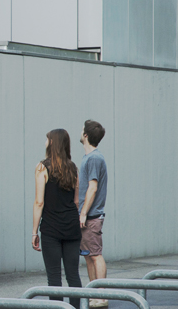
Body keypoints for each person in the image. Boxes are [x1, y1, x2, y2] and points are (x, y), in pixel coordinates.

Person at [32, 129, 82, 309]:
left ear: (53, 143)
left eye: (47, 139)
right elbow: (76, 201)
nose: (45, 142)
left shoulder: (42, 167)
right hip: (71, 227)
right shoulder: (73, 167)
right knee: (73, 275)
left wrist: (34, 232)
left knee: (54, 276)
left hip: (51, 229)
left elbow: (39, 202)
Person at [78, 120, 108, 308]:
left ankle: (102, 296)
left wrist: (83, 213)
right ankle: (93, 293)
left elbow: (93, 187)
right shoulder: (88, 157)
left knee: (95, 255)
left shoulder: (94, 158)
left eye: (82, 130)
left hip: (92, 216)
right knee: (88, 255)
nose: (80, 133)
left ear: (86, 135)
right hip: (88, 217)